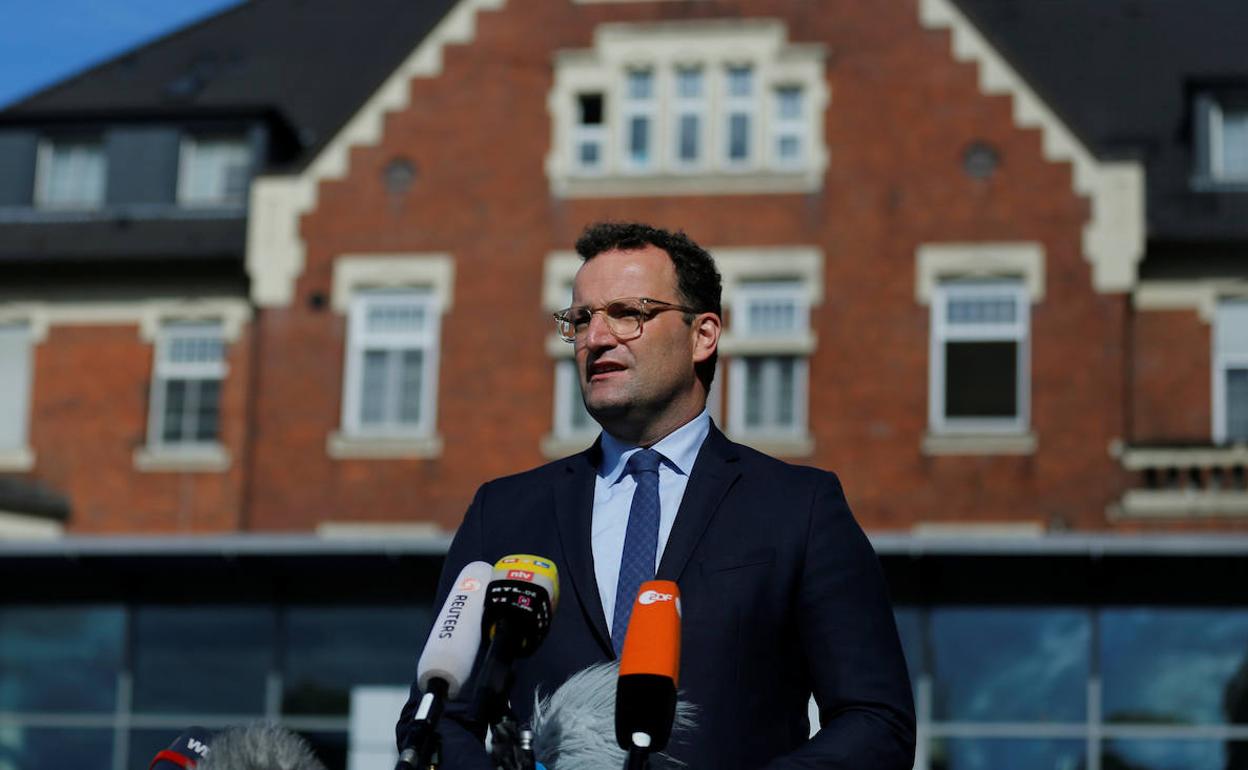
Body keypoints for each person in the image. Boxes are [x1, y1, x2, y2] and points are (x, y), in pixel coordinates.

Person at [396, 221, 915, 769]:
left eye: (628, 313)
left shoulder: (798, 508)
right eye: (581, 319)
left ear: (703, 335)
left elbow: (875, 722)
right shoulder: (504, 513)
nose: (596, 338)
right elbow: (437, 718)